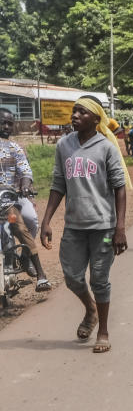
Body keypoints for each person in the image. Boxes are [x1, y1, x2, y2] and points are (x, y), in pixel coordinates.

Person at [39, 96, 130, 353]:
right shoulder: (64, 145)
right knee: (72, 277)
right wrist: (46, 220)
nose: (75, 115)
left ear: (96, 119)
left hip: (103, 226)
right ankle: (91, 309)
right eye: (74, 111)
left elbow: (120, 187)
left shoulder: (106, 148)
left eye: (82, 112)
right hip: (74, 227)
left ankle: (102, 330)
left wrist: (120, 228)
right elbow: (58, 184)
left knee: (99, 279)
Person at [0, 108, 51, 291]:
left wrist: (26, 185)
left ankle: (37, 270)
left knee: (28, 220)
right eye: (2, 122)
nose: (6, 126)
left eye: (9, 123)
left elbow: (25, 170)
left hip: (12, 198)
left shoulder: (15, 148)